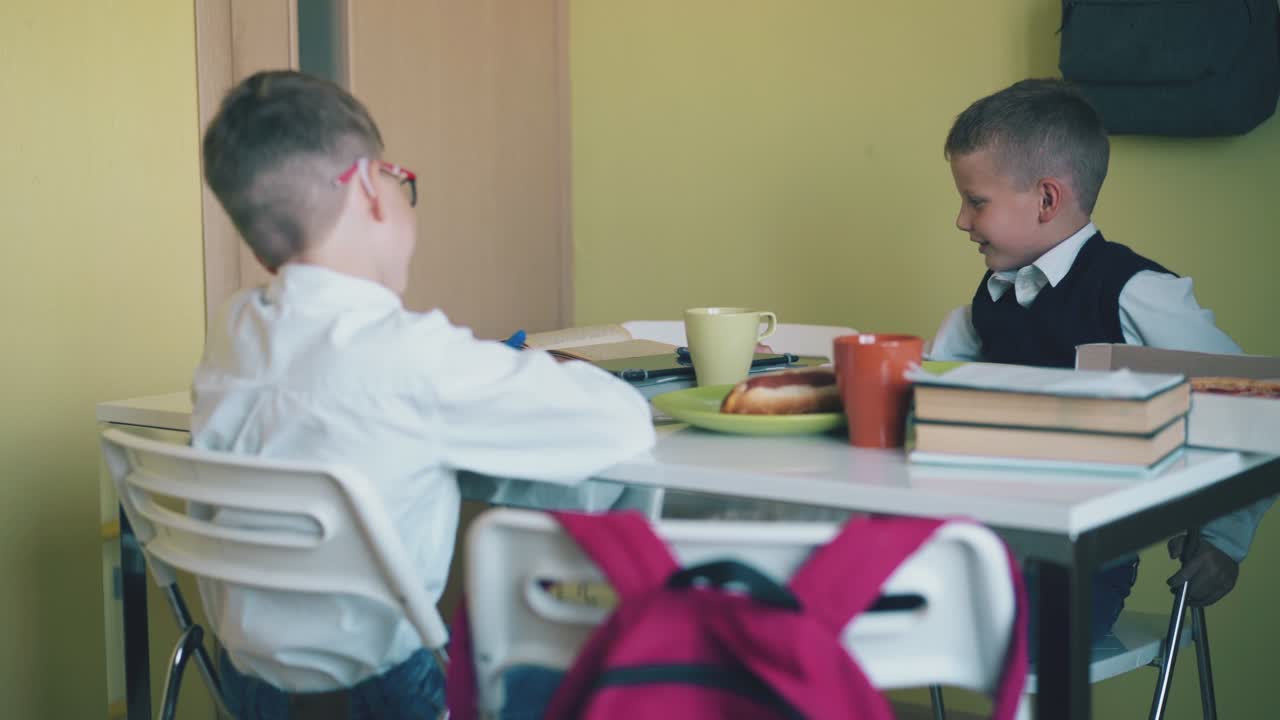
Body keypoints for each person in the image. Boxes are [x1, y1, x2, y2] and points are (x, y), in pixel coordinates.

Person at [194, 70, 655, 718]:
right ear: (367, 188)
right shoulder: (411, 358)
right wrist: (522, 369)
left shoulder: (233, 333)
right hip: (385, 695)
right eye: (397, 177)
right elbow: (622, 424)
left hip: (245, 689)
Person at [929, 78, 1272, 644]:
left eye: (976, 201)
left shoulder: (1133, 293)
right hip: (988, 549)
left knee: (953, 631)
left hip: (1077, 575)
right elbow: (918, 390)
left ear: (1046, 199)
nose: (962, 221)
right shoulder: (988, 302)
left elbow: (1259, 407)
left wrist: (1223, 538)